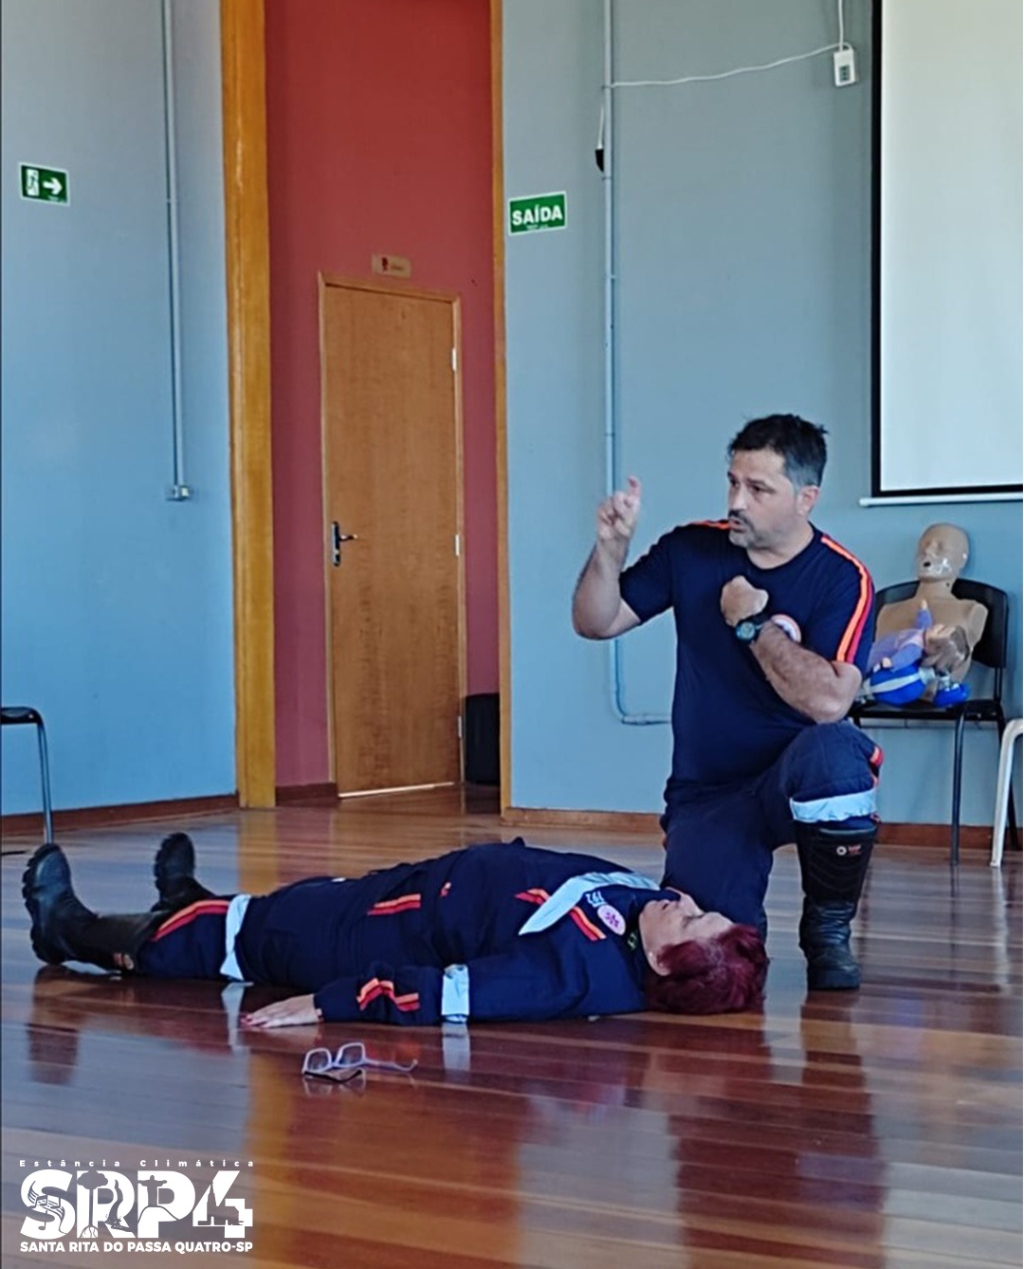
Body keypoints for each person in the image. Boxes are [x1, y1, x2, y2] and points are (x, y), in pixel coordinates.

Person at [572, 414, 881, 991]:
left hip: (794, 775)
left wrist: (752, 625)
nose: (737, 501)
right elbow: (596, 622)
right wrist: (610, 550)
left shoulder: (842, 578)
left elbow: (829, 702)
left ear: (806, 498)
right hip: (709, 792)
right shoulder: (690, 549)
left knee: (839, 754)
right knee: (713, 966)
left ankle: (827, 927)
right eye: (733, 482)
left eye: (758, 489)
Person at [22, 832, 767, 1026]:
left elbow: (449, 995)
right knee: (288, 903)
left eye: (692, 919)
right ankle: (187, 902)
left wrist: (329, 1004)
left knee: (248, 936)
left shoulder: (571, 975)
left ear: (665, 965)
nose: (684, 899)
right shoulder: (645, 918)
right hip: (411, 890)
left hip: (386, 935)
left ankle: (71, 932)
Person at [873, 522, 986, 687]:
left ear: (962, 559)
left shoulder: (971, 611)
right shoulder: (887, 611)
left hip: (937, 694)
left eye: (942, 548)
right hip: (880, 691)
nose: (928, 551)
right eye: (924, 546)